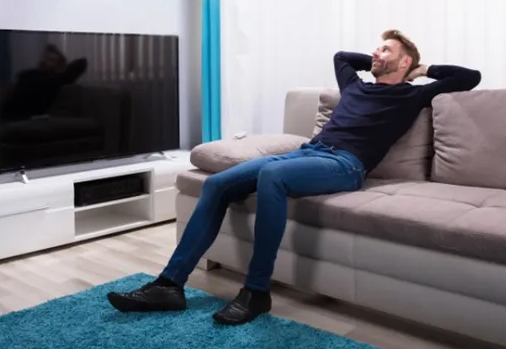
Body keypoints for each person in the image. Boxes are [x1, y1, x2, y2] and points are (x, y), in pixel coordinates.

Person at [107, 29, 481, 325]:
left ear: (405, 61)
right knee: (218, 184)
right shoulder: (355, 86)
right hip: (309, 153)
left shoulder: (411, 96)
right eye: (376, 49)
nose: (376, 54)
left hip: (346, 166)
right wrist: (375, 60)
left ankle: (256, 292)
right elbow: (341, 57)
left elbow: (469, 77)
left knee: (272, 175)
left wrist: (420, 70)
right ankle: (170, 285)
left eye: (385, 50)